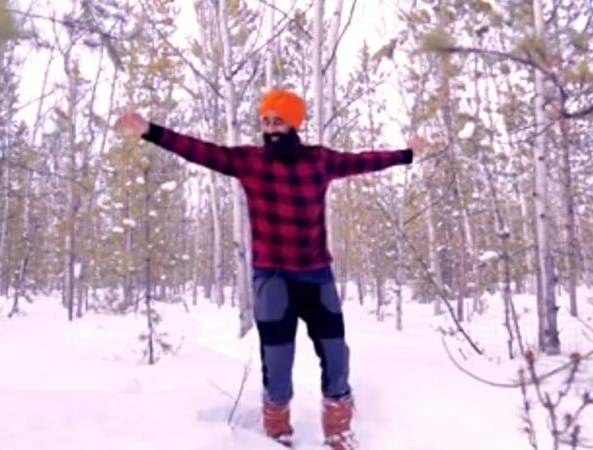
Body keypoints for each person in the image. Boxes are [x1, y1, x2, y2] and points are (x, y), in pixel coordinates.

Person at [115, 88, 423, 450]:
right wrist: (149, 130)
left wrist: (407, 154)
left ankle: (338, 430)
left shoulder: (318, 161)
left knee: (335, 351)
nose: (271, 128)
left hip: (315, 273)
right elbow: (199, 151)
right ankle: (278, 432)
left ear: (294, 123)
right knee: (277, 359)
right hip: (272, 276)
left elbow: (363, 160)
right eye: (266, 121)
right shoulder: (250, 161)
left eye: (278, 121)